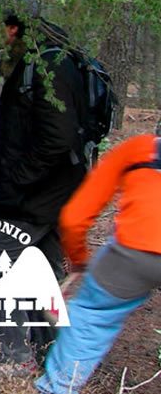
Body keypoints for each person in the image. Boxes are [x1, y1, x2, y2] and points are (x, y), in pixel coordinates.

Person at [0, 13, 86, 375]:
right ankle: (56, 352)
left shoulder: (48, 64)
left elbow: (57, 136)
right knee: (41, 265)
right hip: (55, 186)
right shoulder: (51, 59)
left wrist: (19, 178)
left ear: (14, 28)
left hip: (41, 190)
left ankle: (12, 356)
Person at [35, 134, 161, 394]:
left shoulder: (138, 149)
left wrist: (80, 260)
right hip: (137, 249)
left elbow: (74, 217)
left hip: (134, 251)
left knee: (93, 316)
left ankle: (58, 388)